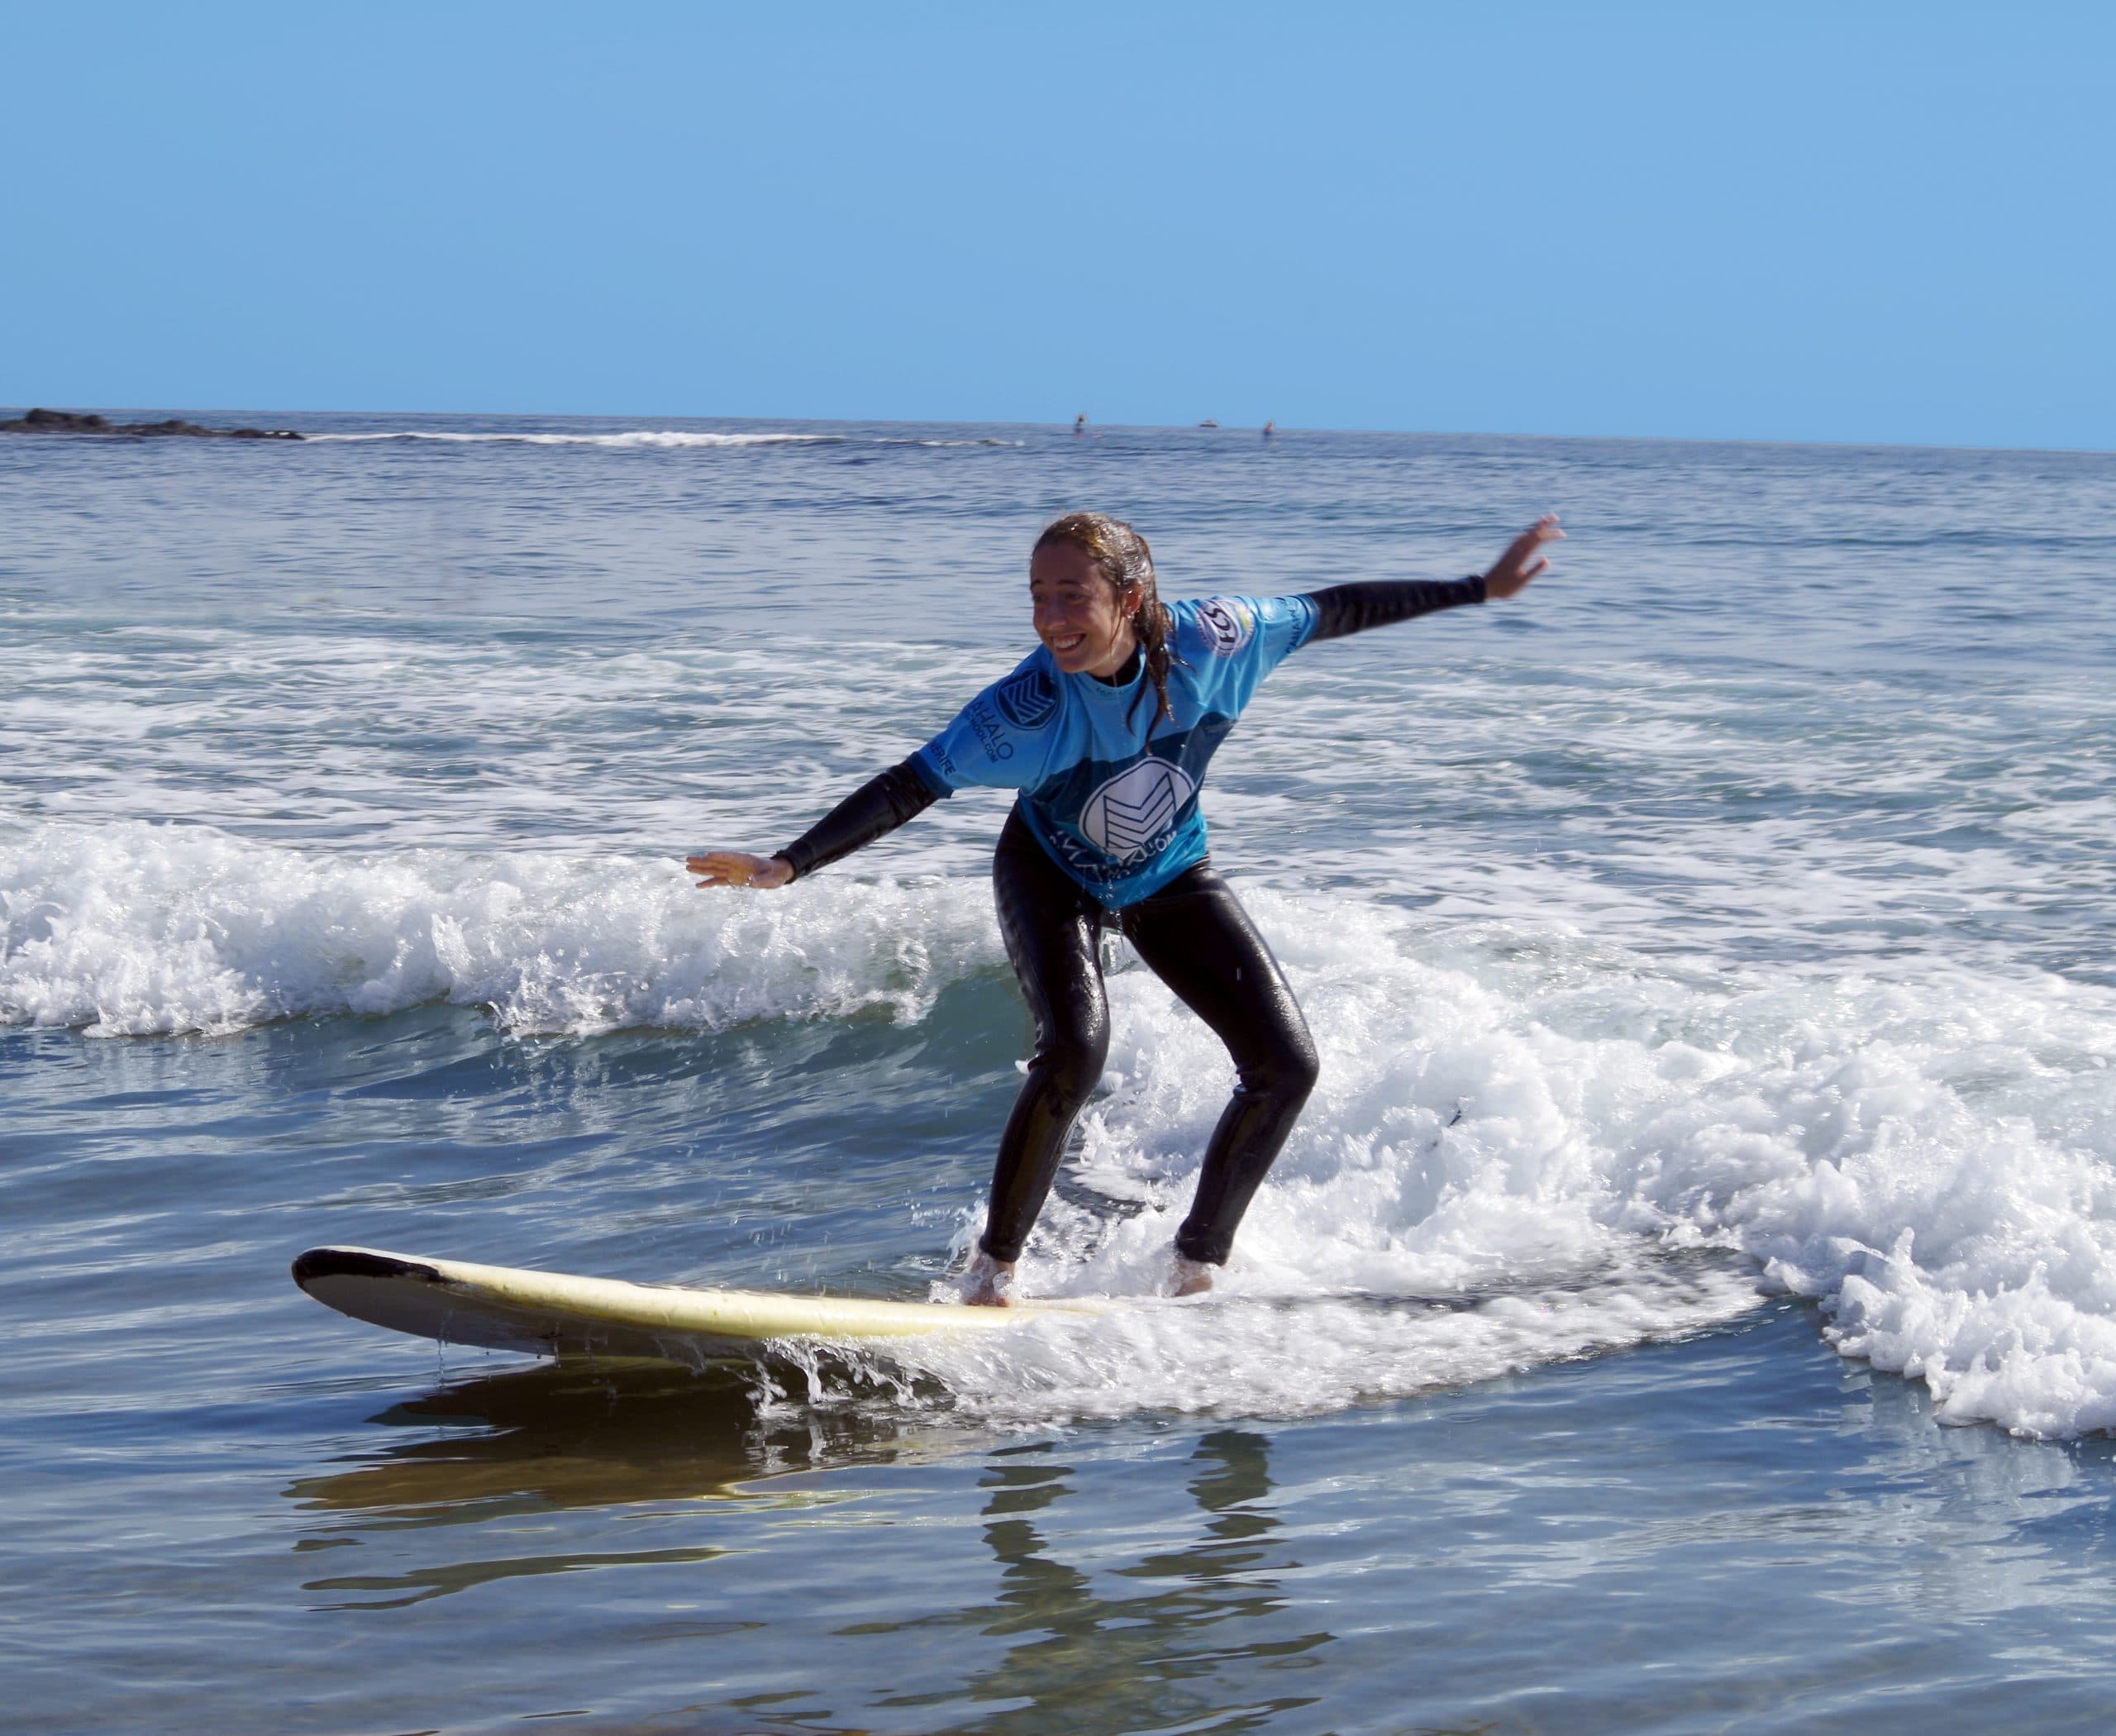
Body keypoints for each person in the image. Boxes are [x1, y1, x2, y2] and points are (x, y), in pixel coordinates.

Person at [690, 511, 1561, 1304]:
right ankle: (992, 1270)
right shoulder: (1022, 711)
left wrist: (1479, 588)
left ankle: (1194, 1264)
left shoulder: (1221, 640)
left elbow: (1333, 609)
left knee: (1285, 1067)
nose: (1050, 618)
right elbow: (910, 784)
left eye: (1072, 595)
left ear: (1132, 596)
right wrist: (788, 863)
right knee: (1073, 1052)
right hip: (1050, 869)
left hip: (1169, 870)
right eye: (1037, 596)